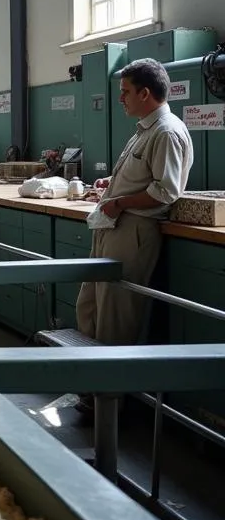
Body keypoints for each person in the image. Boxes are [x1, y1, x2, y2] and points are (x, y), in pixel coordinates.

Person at [76, 58, 193, 347]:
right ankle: (89, 388)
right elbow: (142, 178)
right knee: (90, 305)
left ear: (144, 93)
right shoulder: (146, 129)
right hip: (114, 223)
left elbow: (165, 191)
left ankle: (108, 393)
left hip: (134, 230)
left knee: (114, 317)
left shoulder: (167, 132)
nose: (120, 98)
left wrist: (120, 202)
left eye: (125, 91)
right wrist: (111, 185)